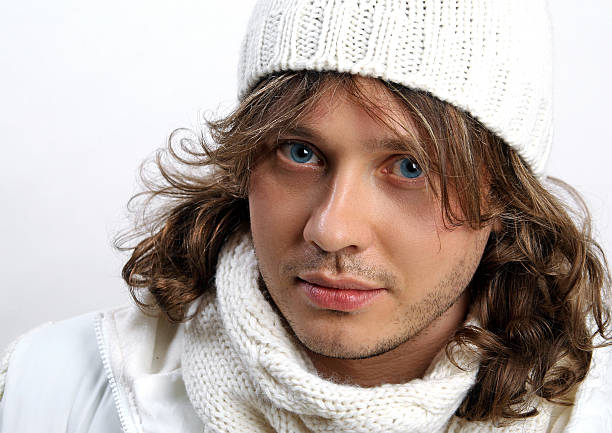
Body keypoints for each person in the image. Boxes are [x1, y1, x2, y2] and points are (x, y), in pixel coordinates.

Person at [1, 0, 611, 431]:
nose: (331, 229)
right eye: (301, 154)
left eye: (410, 168)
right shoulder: (50, 390)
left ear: (504, 196)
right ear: (247, 162)